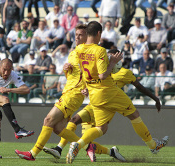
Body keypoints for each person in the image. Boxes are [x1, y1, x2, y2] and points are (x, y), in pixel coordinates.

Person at [64, 21, 168, 164]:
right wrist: (112, 62)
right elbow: (102, 75)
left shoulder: (79, 49)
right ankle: (152, 145)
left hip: (94, 95)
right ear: (99, 33)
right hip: (108, 91)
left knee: (100, 128)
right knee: (135, 115)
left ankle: (78, 143)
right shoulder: (99, 50)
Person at [43, 49, 161, 162]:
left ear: (117, 60)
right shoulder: (99, 70)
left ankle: (84, 146)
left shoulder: (124, 72)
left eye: (109, 57)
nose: (106, 59)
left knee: (102, 128)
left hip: (110, 102)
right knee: (74, 121)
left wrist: (155, 98)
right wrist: (85, 89)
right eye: (106, 57)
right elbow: (88, 81)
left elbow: (139, 86)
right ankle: (61, 148)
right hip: (94, 102)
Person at [15, 24, 97, 161]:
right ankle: (88, 145)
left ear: (86, 37)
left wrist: (88, 88)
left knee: (48, 120)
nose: (77, 37)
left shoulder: (87, 54)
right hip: (68, 92)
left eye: (80, 35)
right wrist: (66, 70)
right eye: (76, 34)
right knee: (58, 128)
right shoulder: (73, 53)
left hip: (74, 94)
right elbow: (71, 77)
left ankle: (33, 153)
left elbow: (93, 74)